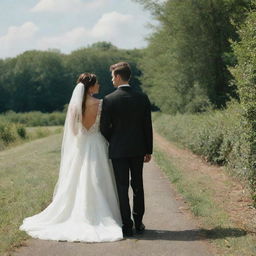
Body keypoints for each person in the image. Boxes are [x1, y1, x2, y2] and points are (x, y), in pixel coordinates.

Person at [19, 73, 123, 242]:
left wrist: (82, 135)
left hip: (81, 145)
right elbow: (105, 126)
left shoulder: (75, 106)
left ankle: (77, 211)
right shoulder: (101, 103)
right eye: (97, 84)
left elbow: (73, 131)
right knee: (98, 177)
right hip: (97, 143)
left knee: (78, 178)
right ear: (90, 87)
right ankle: (102, 214)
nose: (99, 86)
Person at [100, 62, 153, 237]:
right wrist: (148, 149)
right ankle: (139, 223)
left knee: (122, 187)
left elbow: (103, 128)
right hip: (138, 149)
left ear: (117, 76)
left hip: (118, 151)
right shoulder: (142, 97)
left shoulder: (109, 99)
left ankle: (126, 225)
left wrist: (113, 141)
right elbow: (147, 126)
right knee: (138, 185)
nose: (111, 80)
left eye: (112, 76)